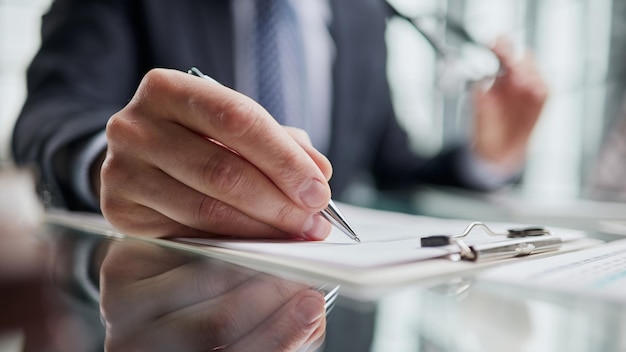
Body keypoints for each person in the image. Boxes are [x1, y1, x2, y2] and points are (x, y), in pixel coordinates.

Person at [12, 0, 547, 243]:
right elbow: (48, 118)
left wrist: (490, 156)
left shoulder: (363, 14)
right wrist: (111, 164)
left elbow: (391, 162)